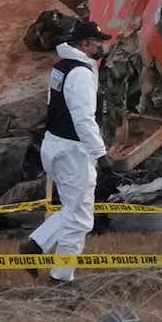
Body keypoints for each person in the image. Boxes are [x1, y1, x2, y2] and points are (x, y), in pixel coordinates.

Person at [26, 19, 109, 281]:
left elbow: (55, 105)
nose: (101, 46)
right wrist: (101, 154)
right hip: (73, 151)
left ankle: (53, 265)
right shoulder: (81, 74)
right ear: (85, 44)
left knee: (73, 211)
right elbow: (83, 119)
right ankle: (43, 254)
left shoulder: (61, 67)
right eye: (98, 42)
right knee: (80, 216)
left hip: (55, 145)